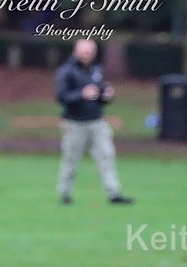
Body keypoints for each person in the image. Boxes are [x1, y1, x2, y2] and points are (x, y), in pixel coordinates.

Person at [55, 39, 133, 205]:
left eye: (90, 52)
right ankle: (65, 193)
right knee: (71, 160)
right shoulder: (66, 71)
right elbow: (61, 96)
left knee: (106, 156)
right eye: (84, 51)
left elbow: (100, 93)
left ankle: (114, 193)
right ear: (76, 52)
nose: (87, 55)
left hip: (97, 122)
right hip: (75, 123)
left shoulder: (96, 70)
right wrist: (81, 95)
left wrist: (107, 96)